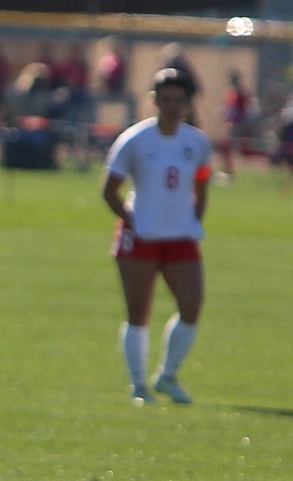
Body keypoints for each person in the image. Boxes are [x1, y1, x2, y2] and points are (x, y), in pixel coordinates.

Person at [102, 68, 211, 405]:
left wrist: (191, 221)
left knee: (191, 306)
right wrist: (131, 222)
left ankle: (167, 375)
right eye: (165, 100)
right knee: (139, 311)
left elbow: (202, 186)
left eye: (179, 100)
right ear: (154, 101)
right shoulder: (135, 139)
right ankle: (138, 386)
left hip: (180, 237)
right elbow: (109, 191)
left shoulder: (197, 142)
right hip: (142, 236)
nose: (172, 107)